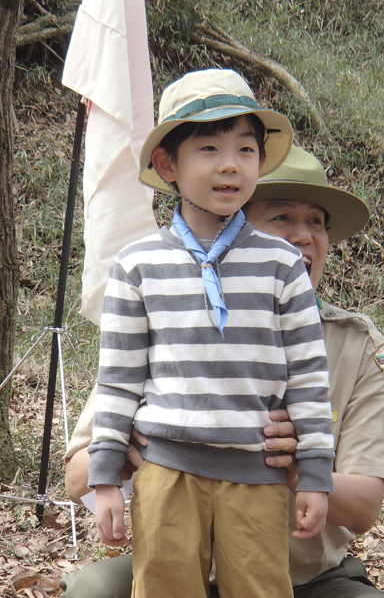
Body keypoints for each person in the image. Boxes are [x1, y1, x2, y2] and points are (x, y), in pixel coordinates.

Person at [61, 145, 384, 598]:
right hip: (186, 562)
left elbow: (366, 506)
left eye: (316, 222)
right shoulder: (173, 314)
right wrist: (144, 446)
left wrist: (295, 463)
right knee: (92, 592)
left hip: (307, 579)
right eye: (282, 218)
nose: (303, 236)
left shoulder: (353, 343)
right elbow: (77, 478)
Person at [87, 69, 335, 598]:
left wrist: (315, 469)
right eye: (208, 148)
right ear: (166, 163)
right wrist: (105, 477)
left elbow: (309, 377)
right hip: (166, 473)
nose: (229, 164)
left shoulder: (281, 264)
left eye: (245, 149)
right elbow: (119, 380)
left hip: (258, 475)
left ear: (260, 162)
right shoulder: (136, 266)